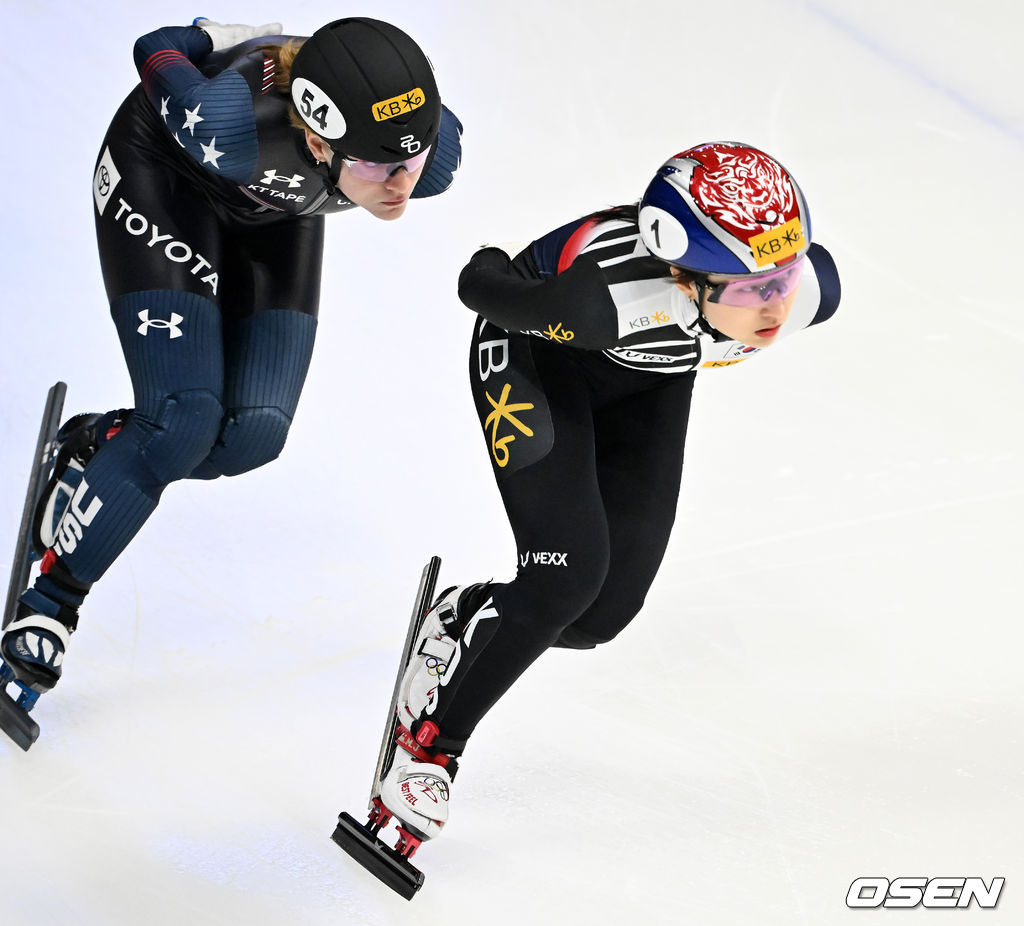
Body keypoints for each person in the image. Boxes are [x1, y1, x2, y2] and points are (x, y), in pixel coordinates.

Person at [371, 141, 841, 843]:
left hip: (647, 376)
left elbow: (777, 287)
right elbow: (478, 288)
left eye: (784, 278)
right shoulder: (607, 298)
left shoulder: (809, 296)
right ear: (685, 277)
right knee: (566, 578)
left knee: (601, 615)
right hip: (540, 351)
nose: (776, 305)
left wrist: (767, 284)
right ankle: (431, 749)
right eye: (750, 290)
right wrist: (501, 259)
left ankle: (473, 615)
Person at [1, 18, 462, 705]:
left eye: (410, 160)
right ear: (313, 137)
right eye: (374, 165)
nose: (399, 184)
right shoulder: (226, 119)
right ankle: (52, 602)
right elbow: (152, 47)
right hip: (165, 175)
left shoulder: (432, 156)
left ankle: (96, 452)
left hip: (277, 210)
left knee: (255, 434)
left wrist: (380, 159)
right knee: (182, 421)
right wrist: (216, 37)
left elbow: (403, 152)